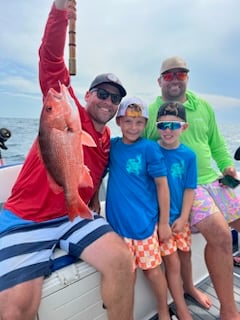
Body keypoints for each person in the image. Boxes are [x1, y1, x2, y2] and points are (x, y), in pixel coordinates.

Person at [0, 1, 134, 320]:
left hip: (73, 214)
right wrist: (59, 12)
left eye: (115, 98)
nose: (108, 101)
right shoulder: (65, 108)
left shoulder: (105, 142)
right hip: (26, 216)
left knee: (122, 261)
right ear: (86, 95)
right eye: (102, 93)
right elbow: (50, 58)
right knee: (16, 306)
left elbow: (93, 177)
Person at [143, 56, 240, 320]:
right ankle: (230, 311)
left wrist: (227, 167)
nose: (175, 79)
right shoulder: (153, 111)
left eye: (180, 74)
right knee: (221, 236)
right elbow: (142, 146)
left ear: (187, 77)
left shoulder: (204, 106)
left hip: (213, 178)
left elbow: (217, 144)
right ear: (160, 80)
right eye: (169, 75)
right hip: (185, 185)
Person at [106, 97, 172, 320]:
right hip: (117, 228)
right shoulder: (112, 147)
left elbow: (162, 186)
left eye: (139, 123)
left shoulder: (150, 149)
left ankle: (163, 311)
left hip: (144, 225)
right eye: (128, 122)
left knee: (153, 271)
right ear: (118, 122)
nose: (133, 128)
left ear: (145, 124)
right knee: (127, 277)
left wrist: (163, 223)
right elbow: (97, 174)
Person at [156, 101, 198, 320]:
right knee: (171, 262)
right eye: (163, 125)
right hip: (161, 220)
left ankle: (190, 287)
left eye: (174, 125)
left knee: (187, 254)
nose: (168, 130)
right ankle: (181, 309)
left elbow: (190, 189)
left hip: (180, 218)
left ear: (184, 127)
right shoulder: (151, 150)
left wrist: (183, 217)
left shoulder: (189, 156)